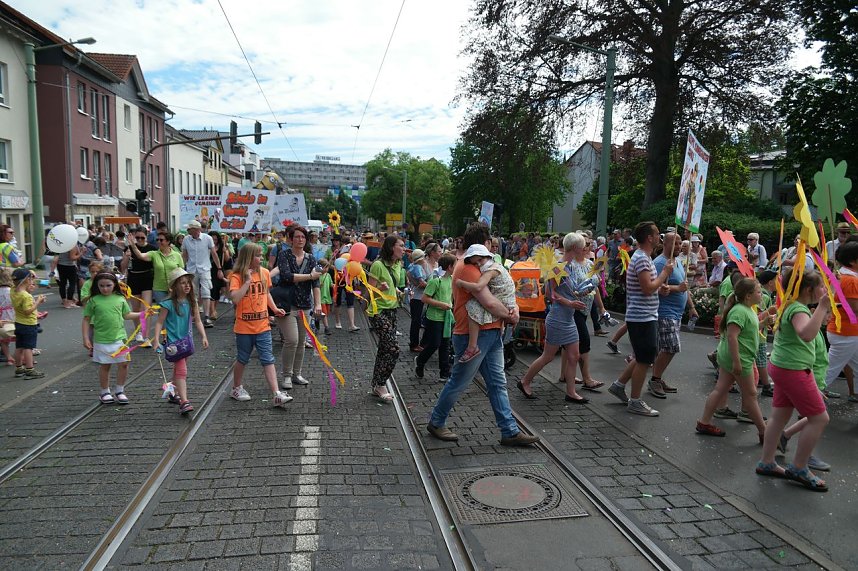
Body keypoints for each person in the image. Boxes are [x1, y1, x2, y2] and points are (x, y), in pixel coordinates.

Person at [427, 222, 538, 447]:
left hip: (489, 331)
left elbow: (499, 293)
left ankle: (509, 431)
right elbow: (488, 301)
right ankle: (436, 421)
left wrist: (510, 309)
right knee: (459, 380)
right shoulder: (469, 266)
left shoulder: (472, 264)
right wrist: (510, 315)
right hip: (473, 334)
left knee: (497, 382)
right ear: (483, 243)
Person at [757, 270, 831, 492]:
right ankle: (799, 466)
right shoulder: (798, 309)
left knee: (780, 416)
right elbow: (806, 334)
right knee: (819, 418)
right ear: (809, 289)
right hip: (793, 370)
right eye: (821, 287)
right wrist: (823, 306)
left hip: (782, 366)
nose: (823, 290)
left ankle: (767, 461)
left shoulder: (791, 304)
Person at [608, 221, 674, 416]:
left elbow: (648, 287)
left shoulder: (643, 257)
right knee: (645, 359)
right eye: (656, 234)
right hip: (642, 316)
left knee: (642, 357)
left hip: (644, 315)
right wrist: (664, 274)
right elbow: (647, 288)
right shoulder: (643, 259)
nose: (659, 237)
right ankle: (635, 400)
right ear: (649, 238)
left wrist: (659, 286)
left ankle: (619, 385)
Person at [516, 232, 591, 403]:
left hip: (568, 318)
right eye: (582, 246)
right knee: (548, 356)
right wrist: (570, 303)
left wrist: (579, 293)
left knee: (574, 355)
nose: (585, 249)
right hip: (558, 318)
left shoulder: (570, 266)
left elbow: (568, 291)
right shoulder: (558, 266)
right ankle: (525, 381)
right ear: (574, 248)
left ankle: (571, 392)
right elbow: (550, 294)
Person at [695, 277, 767, 440]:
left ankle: (704, 422)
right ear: (748, 295)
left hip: (734, 357)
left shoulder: (746, 309)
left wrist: (764, 322)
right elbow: (732, 337)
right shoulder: (740, 311)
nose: (761, 294)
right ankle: (763, 431)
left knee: (721, 389)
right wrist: (737, 362)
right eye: (758, 291)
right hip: (739, 358)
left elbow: (747, 331)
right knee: (750, 395)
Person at [227, 243, 291, 408]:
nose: (261, 258)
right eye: (258, 255)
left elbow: (266, 293)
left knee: (268, 359)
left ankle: (276, 394)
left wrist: (275, 309)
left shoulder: (264, 273)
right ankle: (236, 388)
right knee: (243, 358)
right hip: (243, 327)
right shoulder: (236, 276)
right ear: (249, 257)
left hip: (262, 325)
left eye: (261, 254)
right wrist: (247, 281)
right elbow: (235, 298)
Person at [270, 225, 322, 391]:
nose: (300, 240)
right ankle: (286, 375)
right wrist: (309, 276)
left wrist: (318, 304)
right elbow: (287, 276)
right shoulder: (284, 255)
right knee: (291, 340)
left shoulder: (311, 259)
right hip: (286, 304)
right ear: (291, 239)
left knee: (301, 342)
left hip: (305, 304)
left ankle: (296, 374)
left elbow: (316, 284)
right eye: (297, 237)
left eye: (303, 237)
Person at [153, 268, 210, 415]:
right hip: (174, 343)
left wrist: (203, 336)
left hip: (186, 342)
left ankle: (172, 391)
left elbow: (197, 320)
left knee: (179, 369)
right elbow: (159, 322)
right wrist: (156, 339)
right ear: (174, 286)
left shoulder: (192, 301)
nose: (187, 286)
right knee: (182, 370)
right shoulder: (168, 303)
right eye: (183, 283)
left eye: (188, 283)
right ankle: (184, 401)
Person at [648, 232, 697, 398]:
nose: (678, 247)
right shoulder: (661, 263)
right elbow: (655, 287)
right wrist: (678, 289)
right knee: (671, 347)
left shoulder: (676, 262)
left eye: (680, 244)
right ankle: (654, 379)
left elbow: (684, 285)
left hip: (676, 313)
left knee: (666, 348)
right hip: (665, 312)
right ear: (666, 244)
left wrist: (691, 306)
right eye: (675, 244)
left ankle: (658, 377)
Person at [82, 271, 141, 403]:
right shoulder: (93, 300)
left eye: (108, 285)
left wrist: (142, 314)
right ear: (97, 286)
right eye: (101, 286)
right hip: (101, 339)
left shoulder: (120, 299)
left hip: (119, 338)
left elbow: (126, 315)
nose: (105, 288)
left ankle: (120, 390)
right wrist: (86, 338)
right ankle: (104, 392)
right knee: (105, 365)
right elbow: (86, 319)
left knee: (124, 364)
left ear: (115, 284)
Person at [455, 244, 516, 363]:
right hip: (508, 301)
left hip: (503, 301)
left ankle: (472, 347)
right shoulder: (497, 266)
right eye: (475, 263)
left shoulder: (491, 270)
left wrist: (461, 283)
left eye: (480, 260)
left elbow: (478, 287)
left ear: (487, 256)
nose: (478, 264)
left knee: (472, 306)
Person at [366, 235, 407, 403]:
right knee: (393, 349)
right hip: (378, 311)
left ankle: (376, 384)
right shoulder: (377, 265)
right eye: (401, 246)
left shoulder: (398, 264)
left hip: (392, 310)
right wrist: (380, 289)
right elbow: (369, 290)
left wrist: (397, 291)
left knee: (384, 349)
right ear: (391, 247)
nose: (404, 249)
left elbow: (394, 284)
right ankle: (381, 383)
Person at [821, 240, 858, 400]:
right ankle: (811, 398)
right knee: (829, 370)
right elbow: (854, 308)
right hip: (846, 332)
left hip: (843, 330)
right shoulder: (850, 280)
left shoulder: (841, 276)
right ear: (852, 261)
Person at [415, 253, 456, 381]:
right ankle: (420, 361)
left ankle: (444, 372)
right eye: (455, 265)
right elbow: (425, 298)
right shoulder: (435, 280)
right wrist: (441, 304)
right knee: (435, 344)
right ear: (450, 267)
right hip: (434, 317)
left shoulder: (452, 280)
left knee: (445, 344)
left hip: (447, 317)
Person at [182, 220, 222, 328]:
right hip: (191, 270)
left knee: (206, 292)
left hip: (204, 269)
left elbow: (214, 254)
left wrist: (219, 268)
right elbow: (184, 255)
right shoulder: (186, 239)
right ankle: (195, 315)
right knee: (192, 294)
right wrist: (182, 268)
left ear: (196, 229)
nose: (188, 231)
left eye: (190, 229)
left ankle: (207, 317)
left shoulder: (207, 238)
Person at [121, 227, 156, 344]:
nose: (140, 240)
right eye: (138, 238)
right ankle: (138, 332)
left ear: (146, 237)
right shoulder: (129, 248)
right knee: (135, 308)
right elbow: (123, 267)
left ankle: (146, 336)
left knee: (147, 307)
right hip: (133, 278)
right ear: (134, 237)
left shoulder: (151, 249)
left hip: (147, 278)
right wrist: (126, 256)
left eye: (142, 237)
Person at [129, 230, 184, 303]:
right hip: (159, 288)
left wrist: (179, 286)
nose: (158, 242)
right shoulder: (154, 254)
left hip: (174, 288)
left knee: (175, 310)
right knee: (162, 311)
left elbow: (181, 272)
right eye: (157, 240)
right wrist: (133, 245)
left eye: (161, 240)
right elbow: (140, 256)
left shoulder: (177, 255)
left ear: (168, 241)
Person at [11, 269, 45, 378]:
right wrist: (38, 302)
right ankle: (30, 369)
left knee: (19, 346)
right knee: (28, 348)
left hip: (18, 322)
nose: (32, 280)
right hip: (28, 324)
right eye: (30, 278)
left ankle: (19, 368)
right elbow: (27, 311)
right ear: (26, 280)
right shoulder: (26, 296)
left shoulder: (13, 291)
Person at [407, 249, 429, 352]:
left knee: (416, 321)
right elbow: (421, 283)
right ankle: (414, 344)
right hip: (417, 297)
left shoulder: (412, 266)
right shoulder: (418, 267)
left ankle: (414, 343)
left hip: (415, 296)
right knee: (416, 321)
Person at [208, 231, 233, 316]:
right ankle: (212, 312)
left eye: (215, 239)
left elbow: (227, 259)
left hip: (219, 270)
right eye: (212, 239)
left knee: (218, 290)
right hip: (209, 270)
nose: (214, 241)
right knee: (212, 290)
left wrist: (225, 250)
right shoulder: (206, 246)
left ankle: (214, 309)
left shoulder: (221, 247)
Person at [55, 241, 81, 308]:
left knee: (62, 284)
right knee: (72, 283)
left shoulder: (60, 244)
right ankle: (69, 302)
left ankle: (64, 301)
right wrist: (81, 253)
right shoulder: (72, 245)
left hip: (60, 265)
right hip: (70, 266)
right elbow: (72, 258)